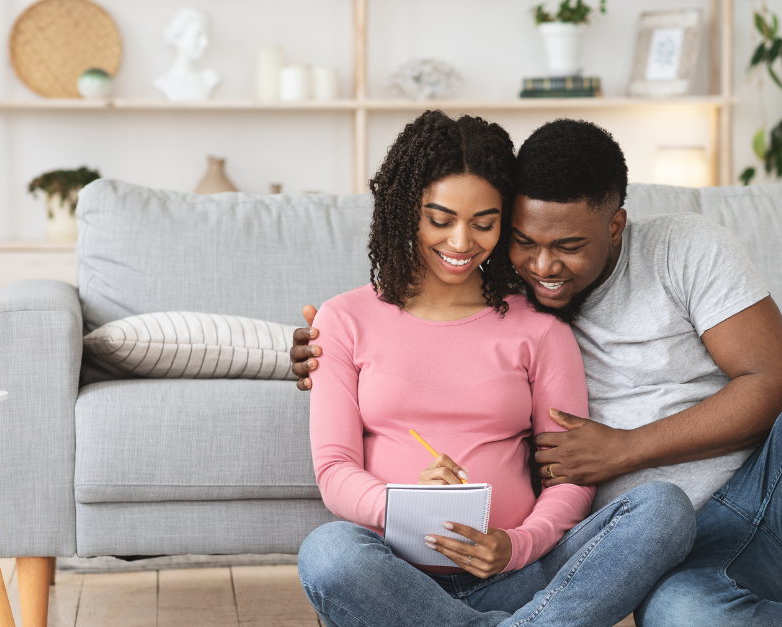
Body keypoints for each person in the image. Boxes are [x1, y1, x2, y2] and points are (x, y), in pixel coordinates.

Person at [294, 118, 782, 627]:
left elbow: (774, 381)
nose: (544, 265)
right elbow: (415, 327)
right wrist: (312, 348)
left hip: (772, 500)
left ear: (617, 224)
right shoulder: (508, 291)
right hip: (671, 563)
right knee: (681, 616)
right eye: (521, 240)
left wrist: (623, 448)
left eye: (568, 246)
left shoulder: (681, 251)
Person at [296, 111, 696, 627]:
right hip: (396, 579)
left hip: (521, 579)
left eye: (484, 224)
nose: (461, 243)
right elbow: (333, 471)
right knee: (327, 553)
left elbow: (569, 479)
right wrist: (404, 502)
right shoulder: (345, 319)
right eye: (440, 220)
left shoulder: (540, 329)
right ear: (406, 212)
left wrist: (515, 545)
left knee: (664, 511)